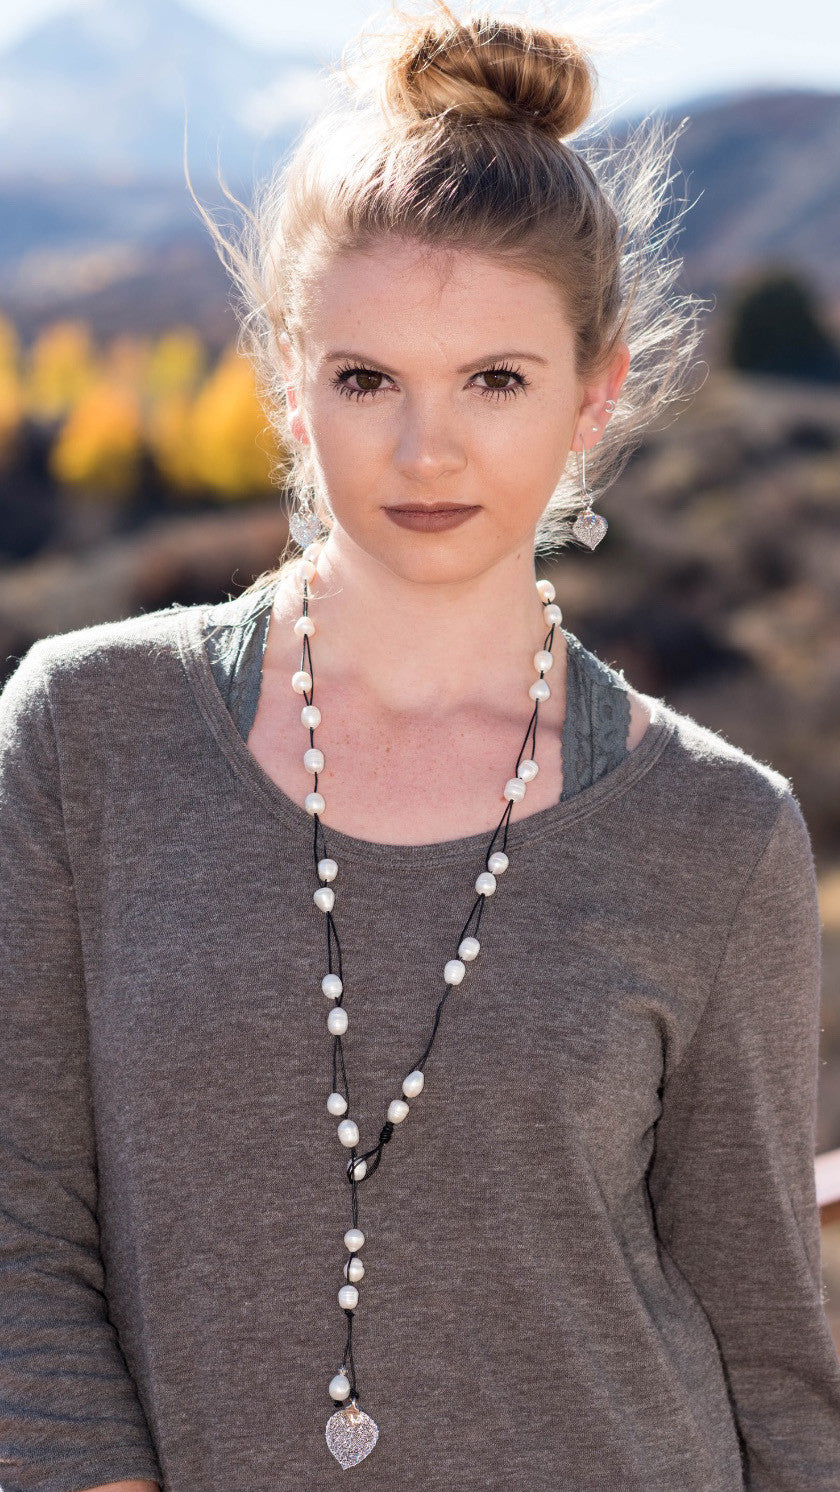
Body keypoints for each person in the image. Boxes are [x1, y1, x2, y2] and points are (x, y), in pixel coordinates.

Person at [1, 3, 839, 1488]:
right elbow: (19, 1236)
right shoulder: (87, 736)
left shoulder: (722, 834)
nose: (426, 452)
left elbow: (770, 1350)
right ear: (285, 377)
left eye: (496, 382)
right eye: (368, 377)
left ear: (594, 396)